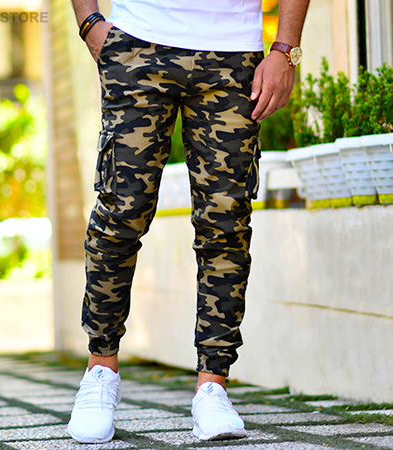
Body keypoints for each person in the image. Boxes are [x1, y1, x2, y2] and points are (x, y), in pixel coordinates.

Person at [68, 0, 309, 443]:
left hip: (232, 52)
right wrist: (89, 24)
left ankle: (212, 388)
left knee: (226, 224)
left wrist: (285, 49)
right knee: (121, 212)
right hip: (138, 43)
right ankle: (100, 372)